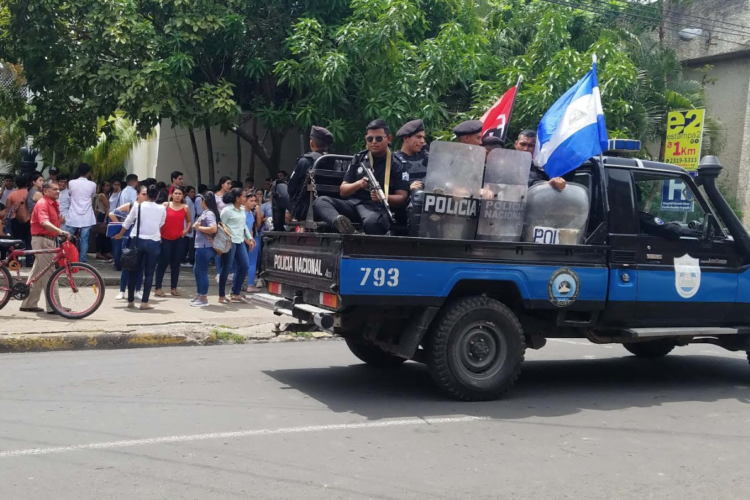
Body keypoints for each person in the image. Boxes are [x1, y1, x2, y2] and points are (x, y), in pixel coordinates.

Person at [313, 119, 410, 235]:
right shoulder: (359, 158)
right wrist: (359, 184)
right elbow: (343, 191)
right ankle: (343, 227)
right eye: (370, 139)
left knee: (372, 223)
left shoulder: (397, 164)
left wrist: (383, 196)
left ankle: (360, 243)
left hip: (377, 207)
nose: (374, 142)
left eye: (378, 138)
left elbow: (402, 198)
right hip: (354, 204)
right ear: (366, 140)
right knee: (320, 201)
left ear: (388, 139)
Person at [19, 181, 70, 314]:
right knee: (50, 273)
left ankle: (28, 303)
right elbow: (44, 222)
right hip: (42, 240)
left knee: (38, 273)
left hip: (48, 240)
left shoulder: (54, 204)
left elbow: (52, 221)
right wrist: (61, 231)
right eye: (54, 189)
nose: (58, 191)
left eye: (58, 189)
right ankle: (54, 306)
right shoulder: (43, 203)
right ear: (45, 191)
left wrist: (59, 225)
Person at [114, 184, 166, 310]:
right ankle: (144, 302)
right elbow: (161, 223)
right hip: (153, 242)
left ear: (147, 194)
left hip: (137, 241)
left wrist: (120, 234)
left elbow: (128, 221)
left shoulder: (138, 206)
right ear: (158, 195)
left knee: (133, 271)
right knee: (149, 273)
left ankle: (131, 301)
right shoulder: (162, 208)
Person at [273, 126, 334, 230]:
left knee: (278, 185)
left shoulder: (305, 161)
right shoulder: (335, 160)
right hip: (329, 209)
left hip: (304, 210)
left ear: (312, 143)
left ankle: (278, 228)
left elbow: (291, 189)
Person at [218, 188, 255, 304]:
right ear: (237, 198)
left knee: (244, 265)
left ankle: (235, 292)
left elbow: (243, 226)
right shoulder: (227, 210)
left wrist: (249, 238)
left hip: (240, 241)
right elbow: (221, 226)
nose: (245, 198)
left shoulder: (242, 210)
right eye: (243, 196)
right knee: (226, 268)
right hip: (229, 242)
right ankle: (221, 295)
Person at [109, 186, 146, 301]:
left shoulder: (148, 207)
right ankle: (122, 290)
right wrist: (120, 227)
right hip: (128, 238)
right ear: (137, 194)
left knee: (140, 266)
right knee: (126, 264)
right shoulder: (131, 205)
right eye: (143, 194)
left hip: (141, 238)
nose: (145, 196)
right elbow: (112, 213)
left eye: (147, 194)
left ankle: (138, 290)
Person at [154, 185, 191, 297]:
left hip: (179, 239)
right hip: (165, 238)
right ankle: (158, 288)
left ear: (183, 196)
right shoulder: (165, 205)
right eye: (176, 193)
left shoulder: (185, 207)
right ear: (172, 195)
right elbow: (158, 220)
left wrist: (186, 230)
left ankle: (173, 288)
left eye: (180, 194)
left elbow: (189, 221)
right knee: (162, 263)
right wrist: (158, 235)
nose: (177, 196)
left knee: (176, 264)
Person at [191, 192, 220, 308]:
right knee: (197, 270)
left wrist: (199, 227)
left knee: (201, 272)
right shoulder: (206, 213)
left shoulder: (209, 214)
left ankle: (203, 297)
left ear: (204, 201)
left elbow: (213, 228)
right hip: (201, 246)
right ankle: (199, 294)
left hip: (205, 246)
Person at [66, 163, 97, 263]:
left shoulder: (71, 183)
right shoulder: (92, 184)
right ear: (88, 173)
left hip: (73, 214)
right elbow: (92, 196)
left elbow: (70, 194)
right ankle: (82, 261)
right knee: (84, 239)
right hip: (86, 215)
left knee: (67, 238)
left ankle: (68, 258)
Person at [394, 119, 429, 192]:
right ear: (405, 138)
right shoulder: (394, 161)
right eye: (419, 137)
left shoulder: (428, 158)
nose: (422, 141)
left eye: (423, 137)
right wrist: (407, 188)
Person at [6, 174, 31, 263]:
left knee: (15, 240)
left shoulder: (11, 194)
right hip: (28, 219)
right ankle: (29, 260)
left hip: (15, 219)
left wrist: (4, 219)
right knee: (29, 240)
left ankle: (13, 260)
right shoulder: (29, 192)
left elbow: (7, 209)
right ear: (27, 183)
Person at [244, 192, 261, 293]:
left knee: (243, 264)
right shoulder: (246, 214)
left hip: (248, 239)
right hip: (250, 239)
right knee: (251, 263)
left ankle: (240, 285)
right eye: (251, 201)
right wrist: (249, 241)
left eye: (255, 201)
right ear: (244, 201)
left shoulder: (249, 213)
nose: (254, 203)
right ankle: (250, 285)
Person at [95, 180, 112, 261]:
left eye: (109, 185)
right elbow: (107, 207)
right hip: (102, 215)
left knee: (105, 235)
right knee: (101, 234)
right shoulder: (102, 195)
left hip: (103, 214)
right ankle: (99, 252)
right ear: (102, 187)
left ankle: (104, 251)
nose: (108, 187)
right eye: (106, 185)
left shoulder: (107, 195)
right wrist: (105, 219)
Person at [182, 185, 198, 267]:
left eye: (194, 192)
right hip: (188, 224)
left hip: (189, 224)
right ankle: (184, 260)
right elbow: (188, 215)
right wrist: (190, 226)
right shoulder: (187, 201)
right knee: (186, 243)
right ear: (187, 193)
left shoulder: (190, 201)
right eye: (191, 192)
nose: (193, 194)